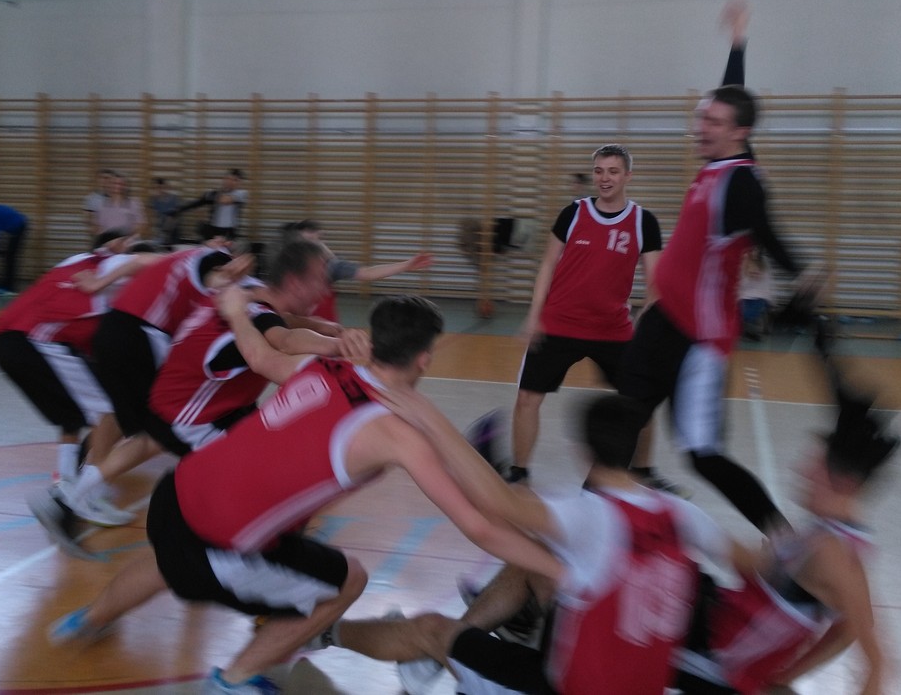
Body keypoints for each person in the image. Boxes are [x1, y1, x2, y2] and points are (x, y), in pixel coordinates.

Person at [47, 290, 562, 695]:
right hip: (219, 548)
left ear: (374, 338)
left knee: (170, 558)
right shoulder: (398, 434)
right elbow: (478, 525)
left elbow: (257, 354)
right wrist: (561, 570)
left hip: (175, 497)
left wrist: (236, 311)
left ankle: (87, 620)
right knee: (348, 581)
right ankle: (234, 679)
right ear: (424, 359)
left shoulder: (324, 364)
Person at [321, 392, 748, 695]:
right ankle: (464, 646)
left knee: (429, 629)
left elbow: (498, 504)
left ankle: (322, 631)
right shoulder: (681, 513)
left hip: (565, 688)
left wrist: (429, 417)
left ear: (582, 451)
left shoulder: (593, 516)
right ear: (637, 448)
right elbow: (753, 564)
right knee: (539, 559)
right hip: (642, 674)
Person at [619, 0, 817, 536]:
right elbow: (732, 97)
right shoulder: (720, 158)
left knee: (703, 454)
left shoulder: (742, 182)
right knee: (619, 422)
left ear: (738, 134)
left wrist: (801, 275)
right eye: (701, 116)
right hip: (664, 320)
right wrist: (737, 43)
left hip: (698, 339)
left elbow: (767, 230)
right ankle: (604, 523)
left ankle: (782, 537)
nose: (701, 125)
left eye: (713, 121)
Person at [30, 239, 356, 554]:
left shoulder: (248, 292)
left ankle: (65, 501)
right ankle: (243, 543)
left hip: (182, 399)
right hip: (193, 415)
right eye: (320, 280)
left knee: (148, 442)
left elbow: (281, 322)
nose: (325, 290)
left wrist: (321, 327)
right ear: (294, 282)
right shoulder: (256, 315)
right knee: (257, 465)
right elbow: (284, 340)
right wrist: (340, 346)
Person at [673, 385, 899, 695]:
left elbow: (878, 665)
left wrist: (681, 515)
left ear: (844, 483)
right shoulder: (830, 534)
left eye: (814, 466)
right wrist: (787, 675)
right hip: (713, 626)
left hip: (714, 664)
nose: (802, 472)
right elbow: (845, 627)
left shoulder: (833, 554)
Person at [505, 143, 663, 486]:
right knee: (527, 398)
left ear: (628, 176)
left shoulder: (643, 222)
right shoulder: (573, 213)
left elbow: (656, 283)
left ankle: (643, 472)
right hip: (558, 323)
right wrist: (534, 314)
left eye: (613, 171)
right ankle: (519, 471)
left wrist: (646, 321)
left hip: (613, 329)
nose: (605, 178)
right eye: (599, 171)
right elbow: (548, 264)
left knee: (641, 401)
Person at [0, 229, 136, 494]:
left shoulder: (76, 261)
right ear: (115, 244)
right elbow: (147, 261)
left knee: (73, 414)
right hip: (36, 340)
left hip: (5, 339)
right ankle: (90, 488)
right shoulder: (114, 265)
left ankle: (66, 481)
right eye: (129, 240)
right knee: (109, 411)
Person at [278, 218, 434, 323]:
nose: (320, 246)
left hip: (327, 336)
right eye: (312, 241)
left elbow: (367, 273)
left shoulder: (331, 267)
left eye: (320, 240)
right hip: (299, 337)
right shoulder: (282, 273)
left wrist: (406, 265)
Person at [176, 168, 248, 241]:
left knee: (225, 248)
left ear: (239, 182)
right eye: (228, 179)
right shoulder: (215, 193)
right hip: (213, 228)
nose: (230, 182)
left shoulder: (241, 193)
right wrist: (181, 209)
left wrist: (210, 195)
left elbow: (224, 200)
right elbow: (198, 203)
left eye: (235, 180)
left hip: (229, 230)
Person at [92, 170, 146, 239]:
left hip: (128, 242)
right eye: (114, 183)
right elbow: (98, 228)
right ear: (109, 185)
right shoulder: (101, 205)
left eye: (120, 184)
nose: (117, 186)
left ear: (126, 186)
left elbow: (141, 226)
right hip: (108, 242)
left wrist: (128, 240)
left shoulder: (134, 203)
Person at [739, 246, 774, 341]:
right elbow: (740, 282)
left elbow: (767, 282)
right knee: (745, 314)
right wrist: (749, 277)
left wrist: (769, 298)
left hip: (759, 295)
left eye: (757, 250)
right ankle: (750, 332)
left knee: (750, 313)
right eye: (752, 250)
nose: (754, 252)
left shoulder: (765, 262)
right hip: (745, 295)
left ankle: (753, 332)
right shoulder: (744, 260)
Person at [147, 176, 182, 246]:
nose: (160, 190)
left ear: (166, 187)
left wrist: (166, 231)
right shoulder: (154, 200)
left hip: (173, 231)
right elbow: (152, 217)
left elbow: (176, 217)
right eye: (157, 188)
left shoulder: (174, 199)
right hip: (159, 231)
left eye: (162, 188)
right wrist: (155, 230)